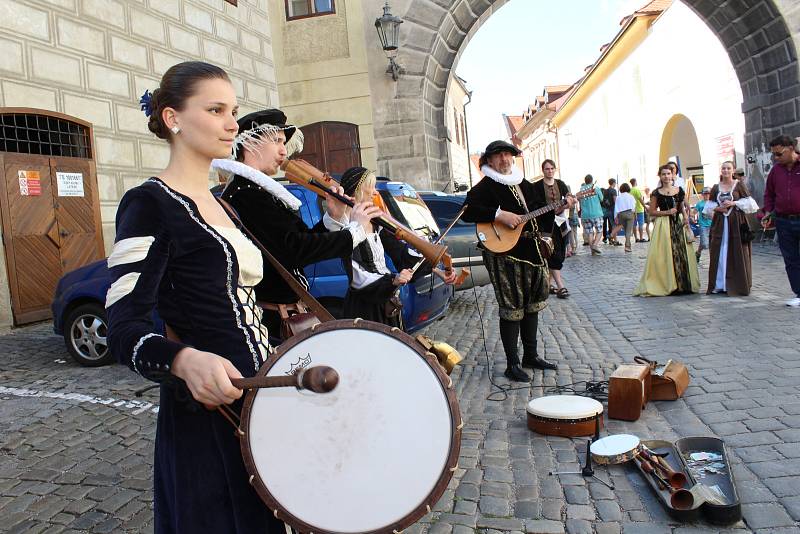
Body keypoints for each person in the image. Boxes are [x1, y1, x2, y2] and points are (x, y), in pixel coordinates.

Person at [107, 62, 288, 533]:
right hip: (208, 413)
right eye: (216, 110)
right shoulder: (150, 203)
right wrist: (185, 361)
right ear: (173, 119)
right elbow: (123, 326)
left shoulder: (222, 202)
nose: (233, 124)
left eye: (234, 111)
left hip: (261, 397)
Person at [214, 109, 379, 338]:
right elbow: (295, 250)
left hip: (289, 315)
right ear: (250, 142)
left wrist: (333, 215)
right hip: (272, 322)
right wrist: (355, 230)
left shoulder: (259, 190)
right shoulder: (246, 193)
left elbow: (298, 243)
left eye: (284, 142)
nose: (284, 151)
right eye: (277, 141)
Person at [462, 140, 557, 382]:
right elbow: (468, 209)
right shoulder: (486, 186)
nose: (504, 160)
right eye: (499, 156)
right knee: (512, 307)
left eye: (507, 155)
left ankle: (531, 355)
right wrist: (498, 214)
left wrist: (559, 207)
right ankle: (512, 363)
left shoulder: (522, 182)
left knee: (532, 305)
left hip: (532, 251)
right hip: (506, 254)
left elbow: (541, 211)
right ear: (490, 161)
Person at [338, 166, 456, 326]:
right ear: (356, 192)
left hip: (386, 303)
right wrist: (393, 280)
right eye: (370, 188)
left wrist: (436, 268)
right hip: (365, 309)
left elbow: (401, 255)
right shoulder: (345, 230)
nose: (375, 193)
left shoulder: (376, 223)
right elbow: (358, 278)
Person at [634, 164, 699, 296]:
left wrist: (686, 217)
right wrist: (667, 212)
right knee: (667, 253)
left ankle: (683, 285)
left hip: (679, 223)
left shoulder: (679, 190)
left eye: (668, 174)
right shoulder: (656, 193)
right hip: (664, 225)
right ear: (660, 176)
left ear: (672, 175)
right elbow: (652, 211)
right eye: (663, 174)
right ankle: (670, 284)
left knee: (682, 252)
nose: (666, 176)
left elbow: (681, 206)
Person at [703, 161, 757, 295]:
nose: (726, 170)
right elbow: (708, 207)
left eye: (728, 168)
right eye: (723, 168)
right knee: (720, 251)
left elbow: (751, 203)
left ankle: (736, 284)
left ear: (733, 170)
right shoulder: (716, 188)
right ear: (721, 171)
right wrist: (718, 208)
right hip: (720, 223)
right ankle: (720, 284)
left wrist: (734, 202)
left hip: (736, 223)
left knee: (737, 251)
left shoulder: (739, 185)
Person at [763, 135, 800, 307]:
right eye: (774, 155)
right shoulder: (776, 171)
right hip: (784, 221)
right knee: (790, 258)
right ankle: (799, 293)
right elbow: (769, 194)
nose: (776, 158)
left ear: (791, 148)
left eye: (779, 154)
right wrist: (768, 212)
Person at [534, 159, 575, 298]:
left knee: (561, 252)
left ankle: (547, 284)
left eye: (552, 168)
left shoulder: (560, 184)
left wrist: (568, 201)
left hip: (561, 224)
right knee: (552, 253)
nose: (549, 171)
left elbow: (568, 196)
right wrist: (550, 210)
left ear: (555, 169)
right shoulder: (537, 186)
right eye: (547, 169)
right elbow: (535, 205)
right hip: (546, 224)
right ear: (543, 170)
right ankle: (560, 286)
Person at [579, 174, 605, 255]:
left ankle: (593, 252)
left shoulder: (581, 190)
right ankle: (595, 245)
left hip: (585, 215)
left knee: (590, 233)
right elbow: (601, 199)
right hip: (596, 213)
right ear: (592, 180)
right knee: (600, 231)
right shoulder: (595, 188)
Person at [610, 183, 636, 252]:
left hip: (621, 214)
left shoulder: (618, 197)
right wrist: (634, 214)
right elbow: (634, 206)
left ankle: (612, 234)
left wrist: (615, 216)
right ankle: (627, 247)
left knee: (622, 227)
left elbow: (616, 208)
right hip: (630, 213)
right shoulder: (631, 196)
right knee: (628, 231)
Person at [694, 187, 713, 261]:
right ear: (702, 195)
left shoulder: (713, 203)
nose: (707, 195)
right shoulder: (700, 204)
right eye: (705, 194)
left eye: (708, 194)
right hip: (703, 225)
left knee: (711, 242)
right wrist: (692, 217)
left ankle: (712, 258)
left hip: (712, 225)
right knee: (705, 243)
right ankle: (698, 252)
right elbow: (694, 212)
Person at [629, 178, 648, 242]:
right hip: (639, 209)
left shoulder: (630, 191)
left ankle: (636, 238)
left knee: (634, 224)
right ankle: (641, 238)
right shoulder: (637, 190)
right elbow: (641, 200)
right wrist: (645, 206)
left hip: (632, 210)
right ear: (635, 182)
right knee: (640, 224)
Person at [601, 178, 619, 245]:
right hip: (612, 209)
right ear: (613, 183)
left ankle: (607, 238)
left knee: (605, 224)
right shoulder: (614, 190)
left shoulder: (605, 190)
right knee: (613, 225)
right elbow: (615, 201)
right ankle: (613, 239)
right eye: (615, 183)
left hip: (605, 210)